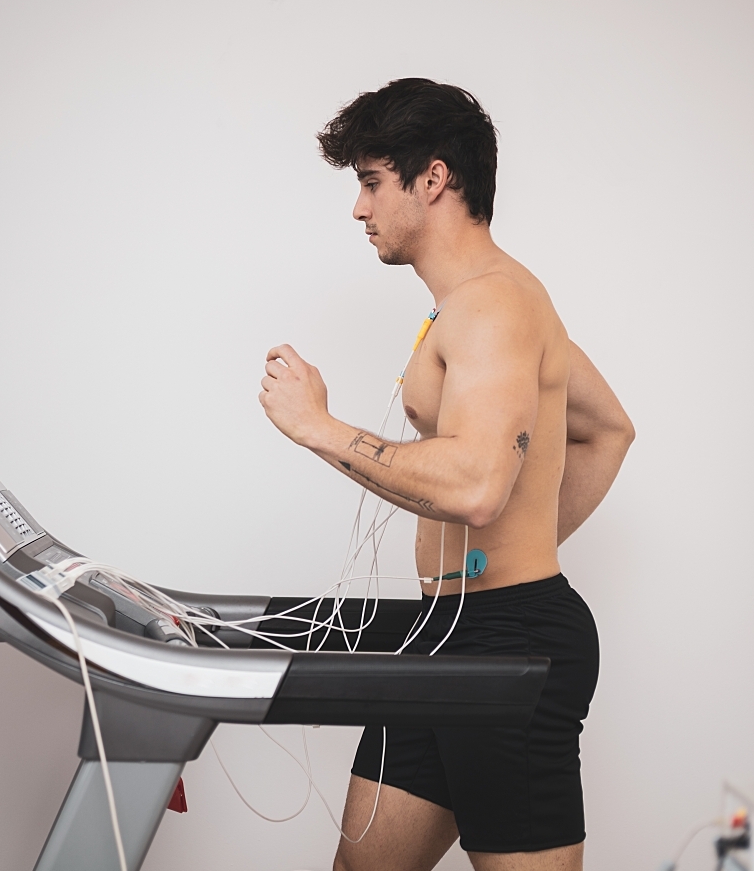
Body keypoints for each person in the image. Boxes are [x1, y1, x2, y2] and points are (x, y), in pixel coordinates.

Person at [258, 79, 635, 871]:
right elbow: (607, 428)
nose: (358, 211)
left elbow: (473, 485)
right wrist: (509, 544)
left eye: (370, 183)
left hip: (509, 644)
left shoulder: (494, 306)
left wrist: (317, 428)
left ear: (432, 179)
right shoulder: (476, 303)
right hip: (445, 634)